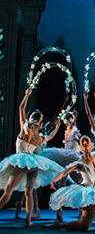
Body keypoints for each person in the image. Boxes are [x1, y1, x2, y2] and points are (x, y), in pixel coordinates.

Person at [0, 88, 63, 226]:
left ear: (30, 119)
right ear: (41, 124)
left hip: (22, 160)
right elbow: (50, 137)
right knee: (29, 192)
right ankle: (28, 220)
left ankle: (28, 218)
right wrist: (57, 128)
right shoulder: (39, 137)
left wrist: (27, 94)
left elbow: (21, 108)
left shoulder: (25, 130)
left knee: (8, 191)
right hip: (33, 162)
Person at [49, 113, 95, 232]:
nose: (85, 144)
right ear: (80, 146)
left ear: (91, 145)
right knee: (84, 225)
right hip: (87, 191)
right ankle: (60, 225)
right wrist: (54, 180)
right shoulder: (79, 162)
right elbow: (65, 172)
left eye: (87, 142)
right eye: (83, 142)